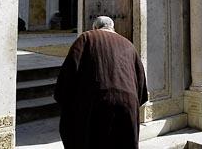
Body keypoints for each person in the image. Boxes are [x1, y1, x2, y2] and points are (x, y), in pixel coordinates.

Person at [54, 16, 148, 149]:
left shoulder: (86, 38)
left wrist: (65, 100)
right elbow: (141, 82)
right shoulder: (129, 44)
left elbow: (69, 73)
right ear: (113, 28)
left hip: (97, 102)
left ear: (95, 28)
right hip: (128, 104)